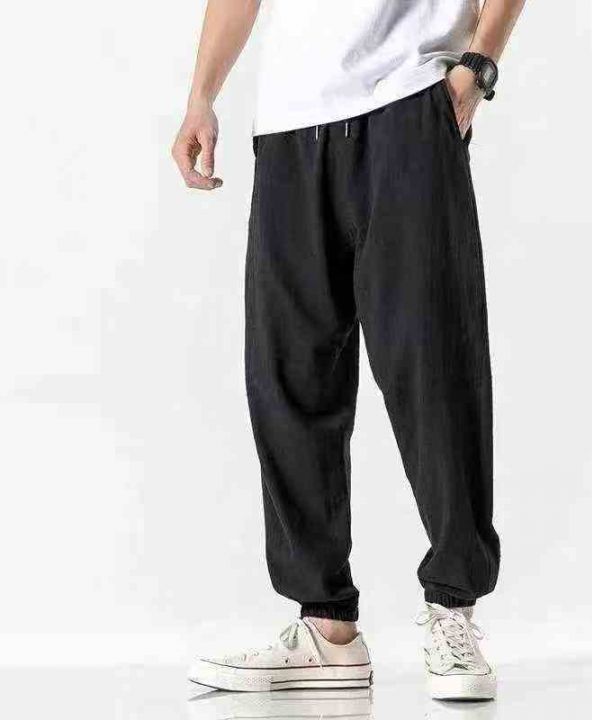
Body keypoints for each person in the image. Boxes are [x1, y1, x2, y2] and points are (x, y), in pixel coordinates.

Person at [173, 0, 525, 701]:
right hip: (288, 123)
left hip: (408, 101)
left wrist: (478, 67)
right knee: (289, 373)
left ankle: (453, 607)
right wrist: (201, 96)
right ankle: (326, 628)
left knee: (433, 363)